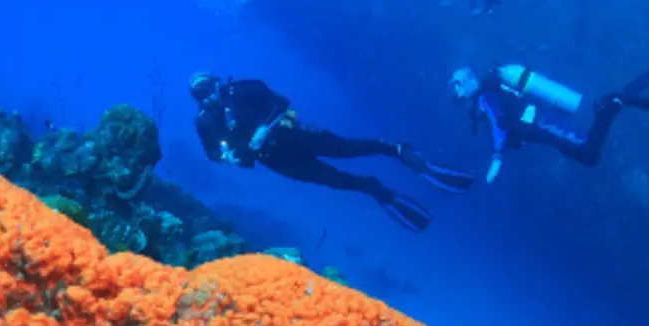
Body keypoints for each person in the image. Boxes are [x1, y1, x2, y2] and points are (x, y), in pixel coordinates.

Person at [189, 72, 475, 232]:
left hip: (295, 135)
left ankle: (395, 149)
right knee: (332, 179)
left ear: (218, 83)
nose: (210, 96)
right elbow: (213, 154)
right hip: (276, 160)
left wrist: (265, 127)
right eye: (202, 95)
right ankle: (374, 189)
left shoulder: (242, 89)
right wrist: (232, 156)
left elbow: (280, 102)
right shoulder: (206, 122)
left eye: (211, 89)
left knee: (345, 150)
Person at [450, 60, 649, 182]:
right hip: (541, 126)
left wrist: (496, 158)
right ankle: (645, 80)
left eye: (457, 88)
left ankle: (610, 106)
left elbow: (498, 126)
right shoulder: (489, 90)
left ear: (466, 82)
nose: (457, 95)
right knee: (584, 155)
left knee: (589, 154)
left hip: (541, 124)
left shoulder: (487, 96)